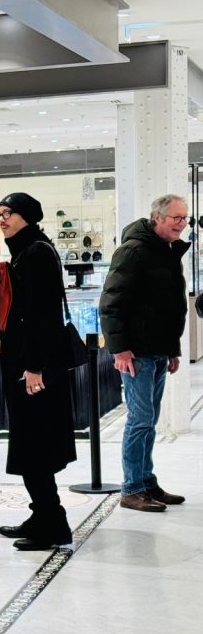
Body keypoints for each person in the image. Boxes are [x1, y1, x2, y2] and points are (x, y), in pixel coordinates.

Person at [0, 193, 75, 549]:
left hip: (34, 369)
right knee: (30, 445)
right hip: (25, 364)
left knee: (35, 446)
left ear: (27, 216)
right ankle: (41, 515)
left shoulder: (36, 253)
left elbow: (42, 316)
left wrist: (34, 366)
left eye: (8, 214)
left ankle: (52, 523)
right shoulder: (25, 251)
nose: (1, 220)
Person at [100, 194, 190, 512]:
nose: (182, 223)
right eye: (176, 218)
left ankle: (146, 481)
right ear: (157, 218)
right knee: (140, 421)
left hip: (157, 351)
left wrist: (172, 349)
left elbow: (169, 306)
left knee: (148, 421)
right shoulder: (134, 251)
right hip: (136, 352)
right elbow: (111, 302)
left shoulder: (166, 251)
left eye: (185, 218)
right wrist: (120, 349)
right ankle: (132, 489)